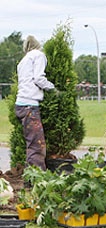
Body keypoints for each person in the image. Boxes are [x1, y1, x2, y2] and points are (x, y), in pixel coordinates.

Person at [15, 35, 55, 171]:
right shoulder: (38, 55)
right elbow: (39, 78)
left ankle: (30, 178)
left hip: (21, 105)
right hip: (29, 106)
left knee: (32, 144)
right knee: (37, 146)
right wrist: (53, 88)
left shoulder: (23, 61)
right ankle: (36, 181)